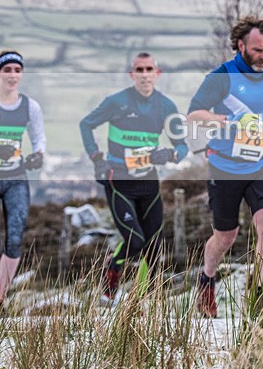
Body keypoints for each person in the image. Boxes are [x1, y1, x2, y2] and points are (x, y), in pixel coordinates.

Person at [187, 16, 263, 319]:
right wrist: (230, 121)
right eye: (257, 50)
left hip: (261, 164)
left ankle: (261, 297)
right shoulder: (221, 76)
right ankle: (207, 279)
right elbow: (194, 114)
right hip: (225, 167)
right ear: (240, 45)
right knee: (226, 236)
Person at [79, 52, 188, 304]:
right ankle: (111, 275)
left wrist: (170, 154)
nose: (144, 74)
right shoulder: (116, 102)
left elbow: (182, 146)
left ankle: (141, 296)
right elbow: (86, 124)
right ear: (132, 74)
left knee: (154, 246)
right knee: (135, 241)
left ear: (157, 74)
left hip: (148, 182)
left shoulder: (166, 106)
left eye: (149, 69)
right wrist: (97, 158)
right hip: (119, 181)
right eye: (139, 69)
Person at [0, 51, 46, 310]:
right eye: (8, 70)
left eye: (17, 70)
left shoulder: (30, 106)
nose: (13, 75)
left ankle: (0, 297)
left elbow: (39, 138)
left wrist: (38, 155)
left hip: (16, 177)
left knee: (15, 237)